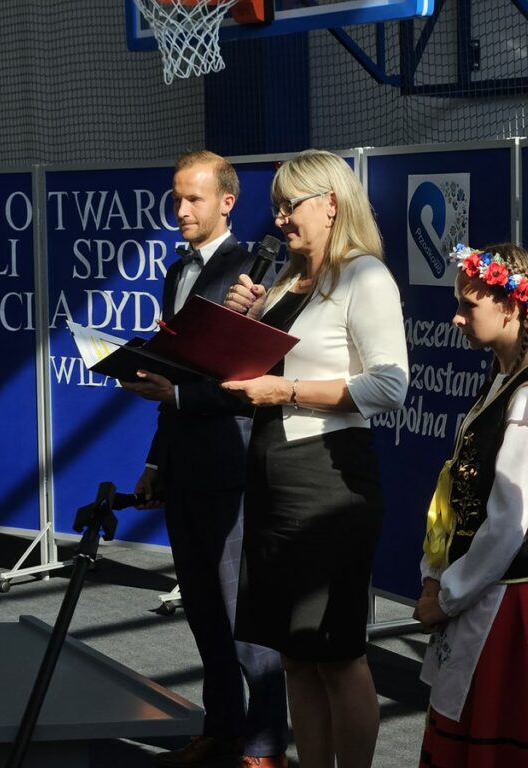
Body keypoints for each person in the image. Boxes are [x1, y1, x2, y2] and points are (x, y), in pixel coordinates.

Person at [221, 149, 409, 768]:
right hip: (273, 479)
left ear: (331, 204)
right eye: (275, 207)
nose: (279, 219)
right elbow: (254, 373)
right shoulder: (286, 281)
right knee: (295, 656)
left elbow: (390, 386)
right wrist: (242, 322)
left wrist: (288, 390)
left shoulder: (364, 276)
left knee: (336, 656)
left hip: (327, 483)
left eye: (289, 205)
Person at [121, 150, 288, 768]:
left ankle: (266, 747)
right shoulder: (175, 272)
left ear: (227, 202)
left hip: (231, 468)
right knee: (201, 611)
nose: (181, 209)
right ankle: (223, 730)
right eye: (176, 198)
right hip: (184, 467)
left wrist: (178, 396)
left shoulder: (254, 275)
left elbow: (247, 380)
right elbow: (178, 372)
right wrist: (156, 461)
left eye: (193, 198)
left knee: (245, 618)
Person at [413, 243, 528, 768]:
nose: (457, 318)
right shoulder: (504, 381)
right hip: (480, 588)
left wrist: (448, 596)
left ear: (510, 307)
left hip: (505, 600)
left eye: (469, 305)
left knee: (490, 741)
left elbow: (508, 522)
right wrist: (435, 575)